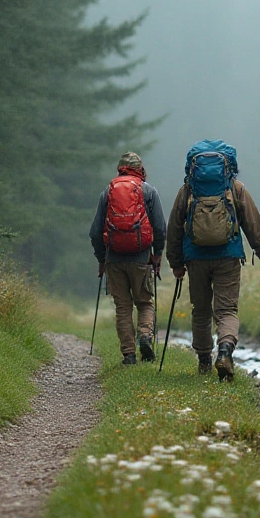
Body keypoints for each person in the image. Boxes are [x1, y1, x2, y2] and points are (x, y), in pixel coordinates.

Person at [166, 139, 260, 381]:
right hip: (228, 256)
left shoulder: (187, 190)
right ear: (229, 165)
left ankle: (204, 360)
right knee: (226, 311)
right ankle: (225, 350)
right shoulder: (235, 188)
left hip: (195, 258)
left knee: (201, 311)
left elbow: (174, 228)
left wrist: (176, 263)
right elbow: (254, 227)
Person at [89, 152, 166, 365]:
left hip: (114, 259)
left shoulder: (108, 192)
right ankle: (145, 336)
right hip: (141, 258)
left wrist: (101, 259)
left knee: (123, 307)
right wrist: (158, 255)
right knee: (144, 303)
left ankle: (129, 355)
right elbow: (160, 228)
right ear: (140, 169)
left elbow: (95, 232)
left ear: (120, 168)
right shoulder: (149, 191)